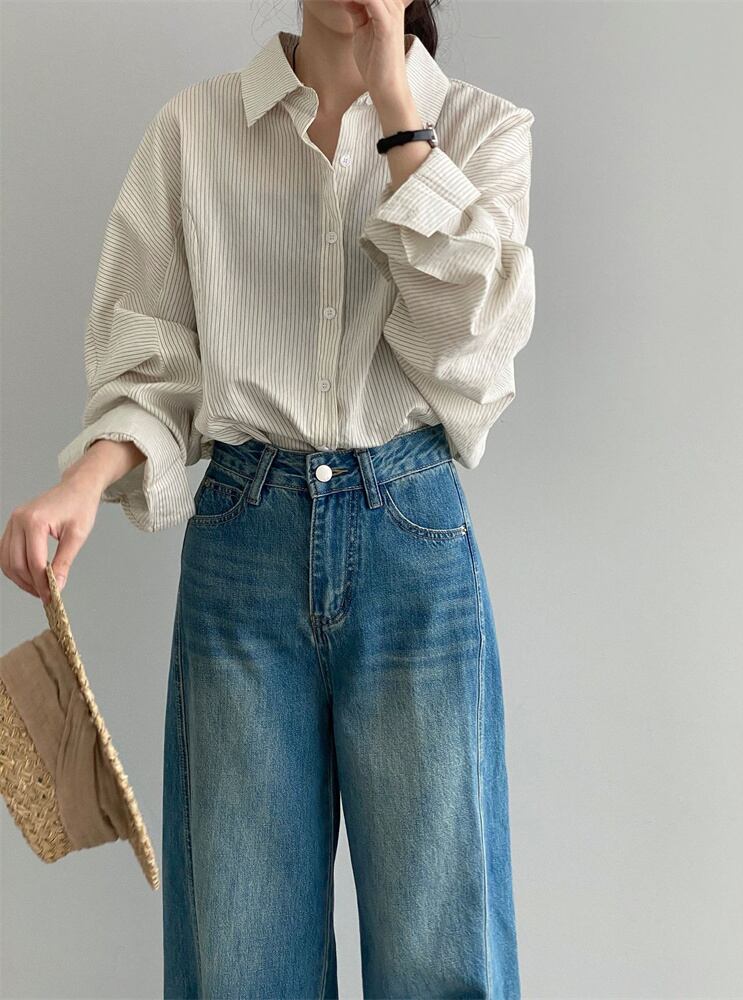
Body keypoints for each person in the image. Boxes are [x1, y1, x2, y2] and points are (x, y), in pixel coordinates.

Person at [1, 0, 535, 995]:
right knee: (242, 950)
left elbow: (467, 347)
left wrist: (398, 109)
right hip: (244, 541)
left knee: (444, 949)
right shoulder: (194, 130)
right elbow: (155, 360)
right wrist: (82, 483)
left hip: (411, 540)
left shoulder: (482, 130)